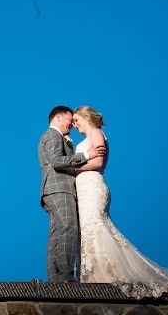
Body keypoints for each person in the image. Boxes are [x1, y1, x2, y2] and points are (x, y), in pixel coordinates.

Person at [71, 105, 168, 298]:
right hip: (84, 191)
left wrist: (73, 170)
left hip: (93, 186)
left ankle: (113, 275)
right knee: (87, 231)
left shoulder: (96, 133)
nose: (74, 124)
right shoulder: (86, 139)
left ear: (86, 117)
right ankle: (96, 276)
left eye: (76, 120)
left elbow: (98, 162)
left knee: (95, 227)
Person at [38, 105, 105, 283]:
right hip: (59, 188)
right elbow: (56, 161)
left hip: (53, 190)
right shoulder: (53, 134)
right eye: (70, 120)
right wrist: (86, 154)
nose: (72, 125)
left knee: (57, 235)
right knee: (69, 227)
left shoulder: (57, 137)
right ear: (59, 118)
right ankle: (66, 275)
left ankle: (54, 279)